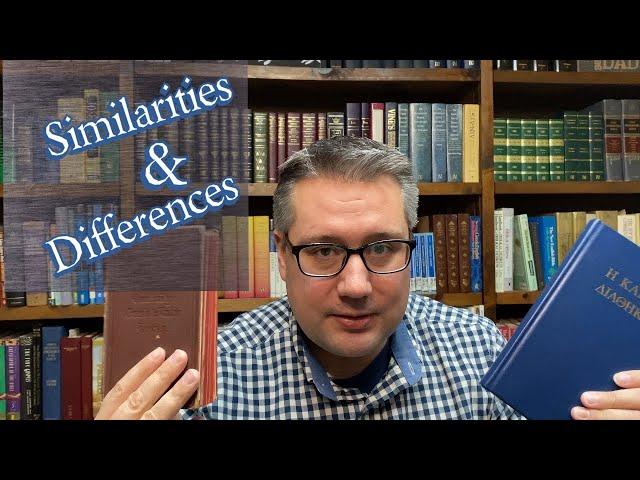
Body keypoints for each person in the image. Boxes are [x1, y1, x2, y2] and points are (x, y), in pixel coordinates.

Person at [96, 137, 640, 420]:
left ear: (412, 245)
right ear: (281, 255)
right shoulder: (208, 382)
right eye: (323, 251)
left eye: (381, 248)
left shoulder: (480, 351)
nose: (356, 286)